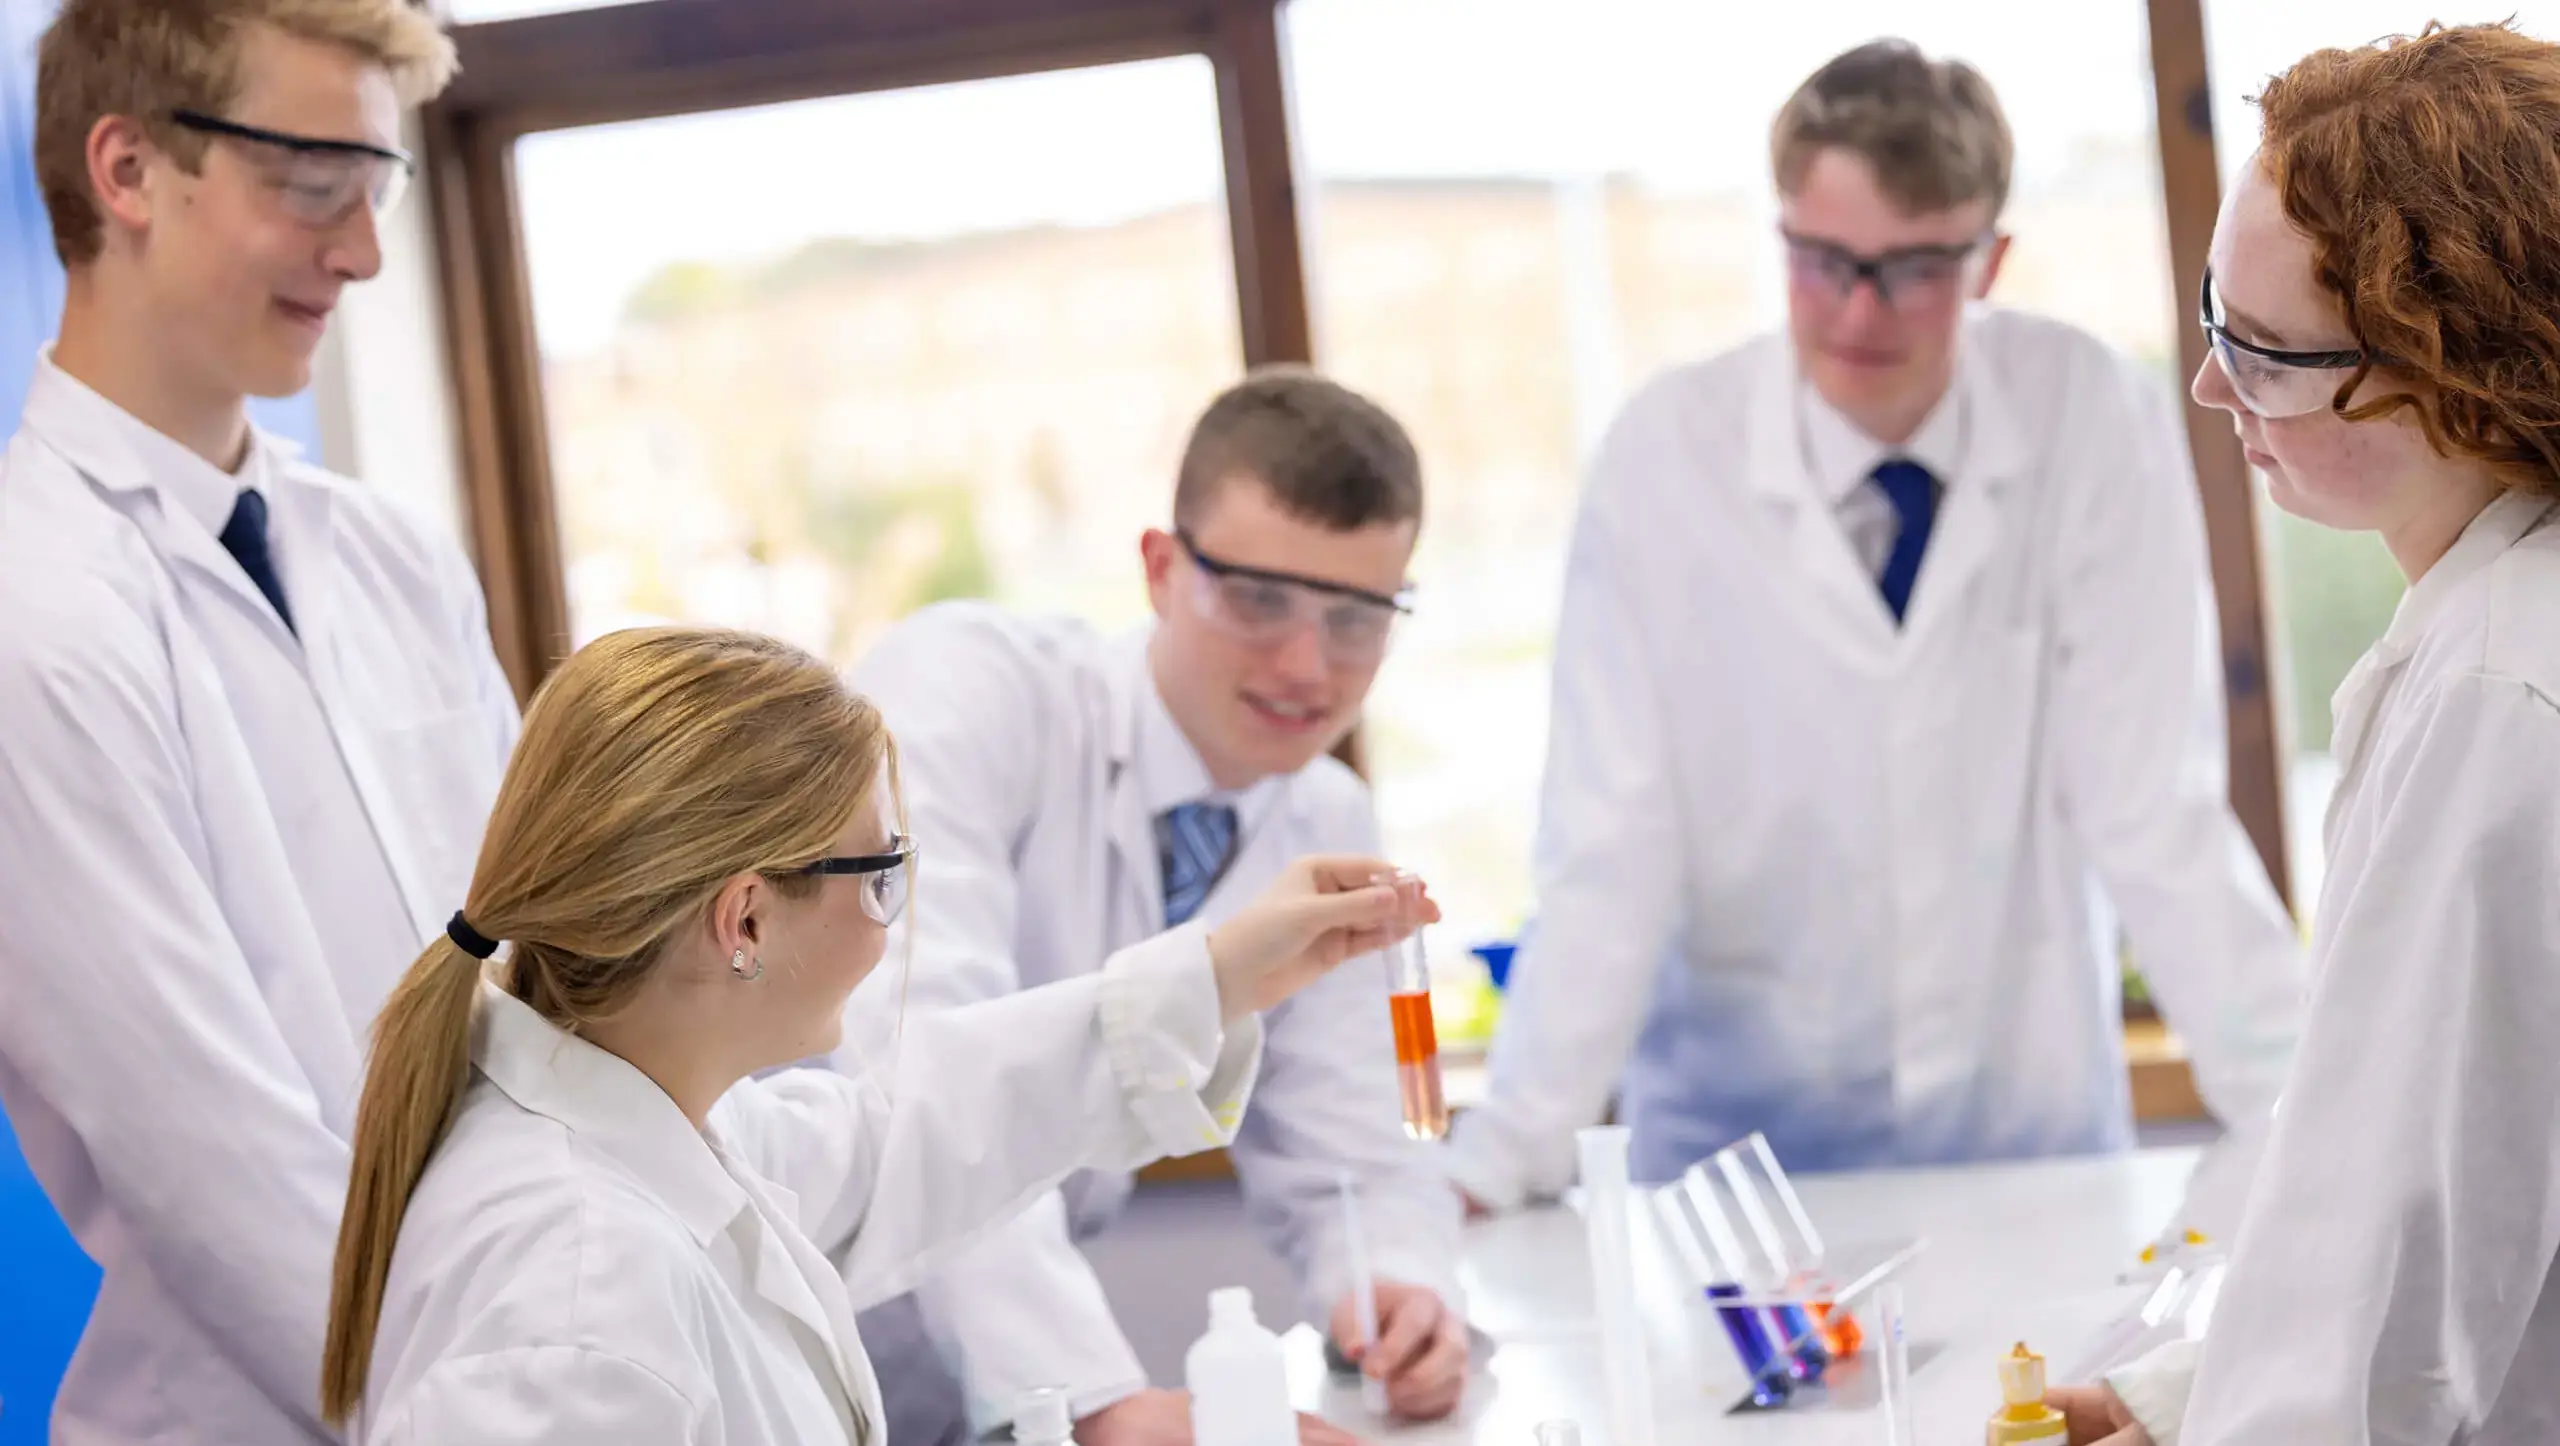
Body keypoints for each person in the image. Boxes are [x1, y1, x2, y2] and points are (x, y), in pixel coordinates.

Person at [1444, 38, 2308, 1202]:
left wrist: (2302, 1114)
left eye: (1912, 269)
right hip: (1735, 1166)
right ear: (1781, 233)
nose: (1858, 311)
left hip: (2026, 1140)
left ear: (1989, 259)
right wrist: (1508, 1152)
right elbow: (1610, 846)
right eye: (1822, 260)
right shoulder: (1663, 458)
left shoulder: (2083, 415)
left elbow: (2152, 803)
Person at [320, 625, 1432, 1444]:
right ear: (745, 917)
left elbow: (909, 1136)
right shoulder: (575, 1287)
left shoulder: (659, 1135)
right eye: (881, 877)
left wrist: (1220, 973)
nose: (887, 925)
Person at [0, 4, 516, 1444]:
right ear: (126, 171)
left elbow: (549, 965)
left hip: (519, 1360)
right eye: (312, 185)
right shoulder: (29, 614)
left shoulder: (395, 559)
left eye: (379, 186)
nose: (360, 249)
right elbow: (208, 1160)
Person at [2044, 23, 2560, 1444]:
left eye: (2263, 355)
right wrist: (2180, 1397)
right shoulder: (2485, 621)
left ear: (2459, 369)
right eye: (2213, 323)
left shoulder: (2504, 694)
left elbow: (2411, 1259)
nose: (2215, 392)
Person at [845, 369, 1467, 1446]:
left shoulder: (1328, 815)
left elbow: (1354, 1146)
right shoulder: (970, 694)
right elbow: (918, 1067)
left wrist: (1395, 1288)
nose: (1305, 665)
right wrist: (1099, 1404)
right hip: (812, 1343)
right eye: (1259, 599)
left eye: (1358, 617)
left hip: (1006, 1387)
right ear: (1159, 568)